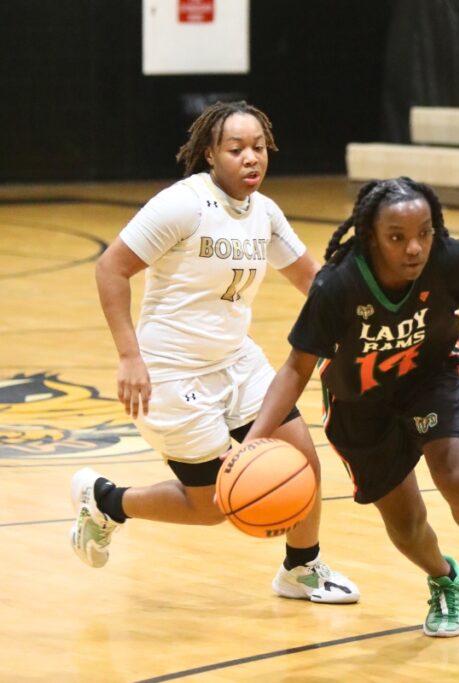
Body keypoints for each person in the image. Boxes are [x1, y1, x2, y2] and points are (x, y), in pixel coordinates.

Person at [72, 101, 359, 605]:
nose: (251, 159)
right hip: (172, 372)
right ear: (209, 153)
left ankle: (302, 567)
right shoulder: (181, 205)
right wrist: (129, 357)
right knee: (213, 507)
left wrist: (361, 321)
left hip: (237, 362)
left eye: (259, 148)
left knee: (302, 461)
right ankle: (107, 503)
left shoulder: (264, 212)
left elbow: (311, 280)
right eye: (236, 149)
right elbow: (110, 269)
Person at [243, 177, 459, 638]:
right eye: (397, 238)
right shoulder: (338, 285)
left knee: (457, 475)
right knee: (405, 523)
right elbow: (295, 368)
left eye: (424, 233)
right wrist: (255, 438)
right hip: (360, 405)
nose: (415, 247)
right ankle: (444, 579)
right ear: (371, 238)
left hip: (430, 377)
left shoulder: (450, 259)